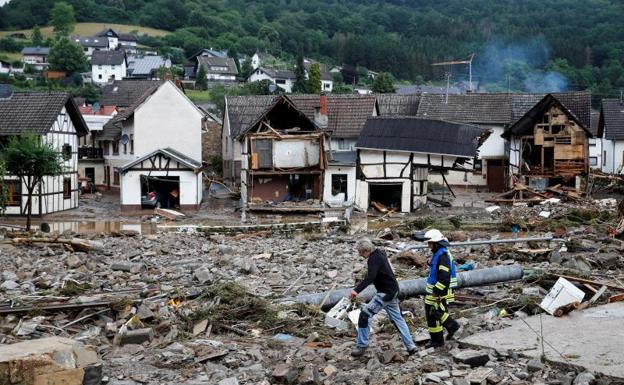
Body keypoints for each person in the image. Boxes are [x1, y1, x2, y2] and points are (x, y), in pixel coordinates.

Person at [349, 238, 417, 357]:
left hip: (385, 294)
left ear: (366, 251)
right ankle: (411, 346)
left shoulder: (373, 259)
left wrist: (356, 290)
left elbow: (371, 277)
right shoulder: (380, 253)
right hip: (393, 291)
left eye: (360, 252)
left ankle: (361, 346)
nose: (360, 254)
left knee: (365, 315)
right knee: (398, 319)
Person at [422, 229, 460, 348]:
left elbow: (444, 276)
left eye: (430, 243)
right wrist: (430, 262)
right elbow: (438, 268)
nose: (429, 245)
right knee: (434, 314)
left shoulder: (442, 254)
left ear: (436, 243)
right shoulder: (440, 253)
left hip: (439, 290)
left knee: (435, 313)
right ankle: (437, 339)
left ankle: (451, 327)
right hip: (436, 290)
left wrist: (437, 291)